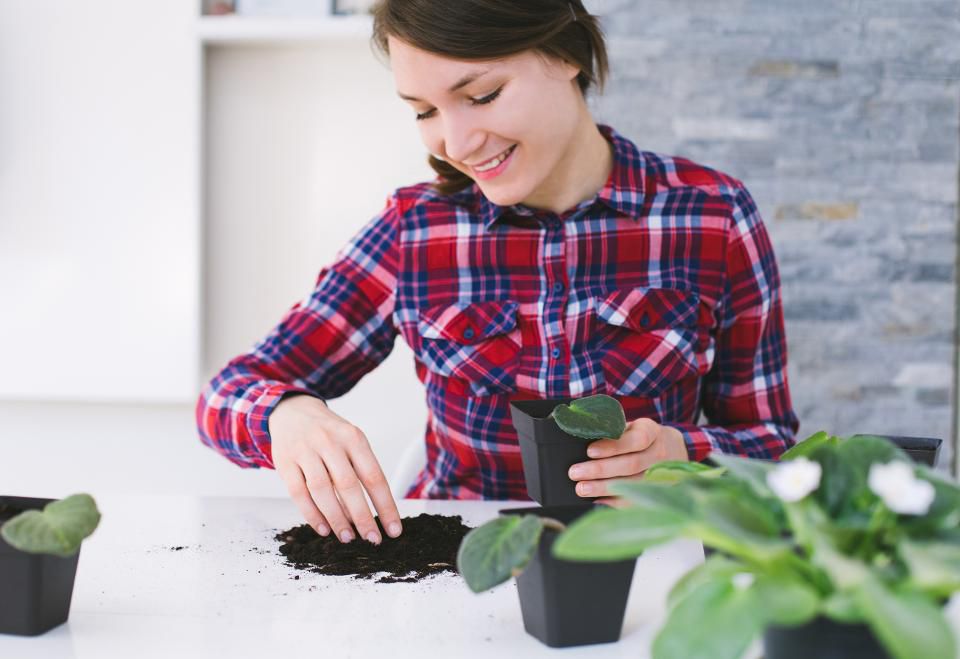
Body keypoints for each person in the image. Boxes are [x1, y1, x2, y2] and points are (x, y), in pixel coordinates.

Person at [195, 0, 799, 547]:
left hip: (647, 556)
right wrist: (287, 416)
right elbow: (225, 395)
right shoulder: (415, 231)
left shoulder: (713, 217)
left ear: (564, 54)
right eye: (425, 110)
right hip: (458, 566)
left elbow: (771, 444)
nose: (455, 142)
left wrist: (681, 455)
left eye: (481, 95)